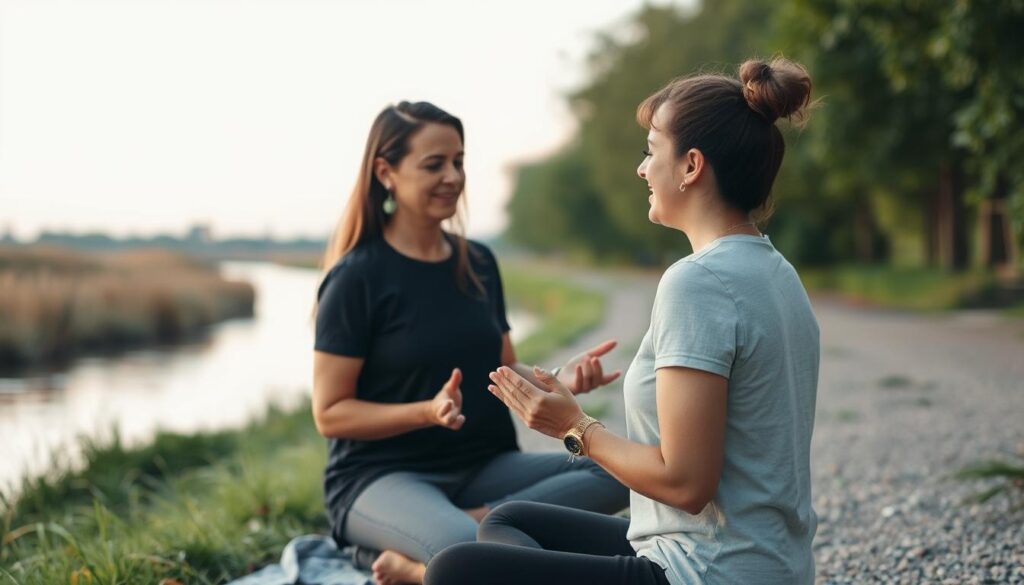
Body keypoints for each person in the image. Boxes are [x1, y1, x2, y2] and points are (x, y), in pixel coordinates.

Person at [424, 58, 819, 585]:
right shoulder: (775, 270)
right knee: (509, 522)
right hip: (762, 563)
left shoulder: (696, 283)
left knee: (453, 570)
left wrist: (574, 427)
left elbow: (684, 483)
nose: (642, 169)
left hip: (708, 572)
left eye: (651, 150)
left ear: (691, 166)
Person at [312, 101, 629, 585]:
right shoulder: (355, 279)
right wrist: (425, 411)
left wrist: (558, 380)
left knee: (615, 468)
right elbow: (330, 412)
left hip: (484, 466)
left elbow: (503, 366)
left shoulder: (477, 262)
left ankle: (464, 536)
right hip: (381, 476)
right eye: (433, 164)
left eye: (458, 161)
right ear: (386, 172)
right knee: (462, 542)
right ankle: (431, 551)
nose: (453, 176)